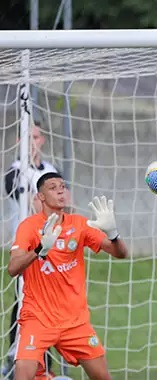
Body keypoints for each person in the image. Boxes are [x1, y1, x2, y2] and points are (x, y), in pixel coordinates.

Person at [8, 172, 128, 380]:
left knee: (103, 377)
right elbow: (12, 268)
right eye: (53, 187)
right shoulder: (29, 227)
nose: (60, 190)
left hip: (75, 322)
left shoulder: (79, 225)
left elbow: (121, 254)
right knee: (22, 376)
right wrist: (38, 250)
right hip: (38, 318)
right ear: (41, 197)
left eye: (63, 186)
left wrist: (113, 234)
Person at [3, 122, 71, 379]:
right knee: (25, 300)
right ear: (19, 142)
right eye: (26, 137)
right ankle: (15, 358)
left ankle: (46, 366)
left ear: (42, 139)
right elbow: (32, 204)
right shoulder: (15, 172)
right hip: (27, 247)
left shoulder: (53, 170)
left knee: (53, 303)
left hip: (56, 247)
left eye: (35, 136)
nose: (31, 141)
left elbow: (67, 201)